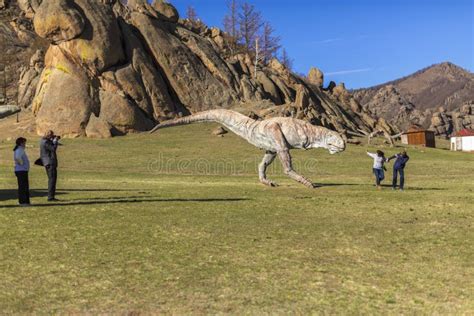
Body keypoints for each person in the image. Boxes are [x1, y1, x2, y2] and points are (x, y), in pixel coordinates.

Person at [40, 130, 60, 202]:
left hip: (47, 163)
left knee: (51, 179)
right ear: (49, 136)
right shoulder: (45, 142)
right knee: (52, 180)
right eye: (52, 135)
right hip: (50, 163)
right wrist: (55, 141)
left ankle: (51, 196)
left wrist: (53, 141)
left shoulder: (43, 141)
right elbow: (53, 149)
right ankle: (50, 197)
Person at [13, 137, 31, 206]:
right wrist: (22, 164)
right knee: (23, 187)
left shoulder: (20, 149)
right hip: (21, 170)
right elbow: (18, 158)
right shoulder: (19, 150)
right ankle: (23, 202)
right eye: (24, 142)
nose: (25, 144)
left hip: (22, 170)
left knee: (24, 186)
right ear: (21, 143)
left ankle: (26, 201)